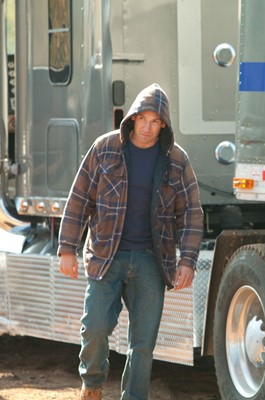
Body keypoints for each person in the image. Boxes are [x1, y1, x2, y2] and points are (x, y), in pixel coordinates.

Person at [57, 83, 204, 400]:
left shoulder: (176, 159)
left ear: (163, 125)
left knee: (143, 343)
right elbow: (80, 198)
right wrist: (67, 248)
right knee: (94, 327)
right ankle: (92, 384)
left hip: (151, 261)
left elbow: (191, 213)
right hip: (106, 257)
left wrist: (188, 261)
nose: (148, 128)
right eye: (143, 120)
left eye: (155, 122)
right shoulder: (105, 148)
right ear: (133, 118)